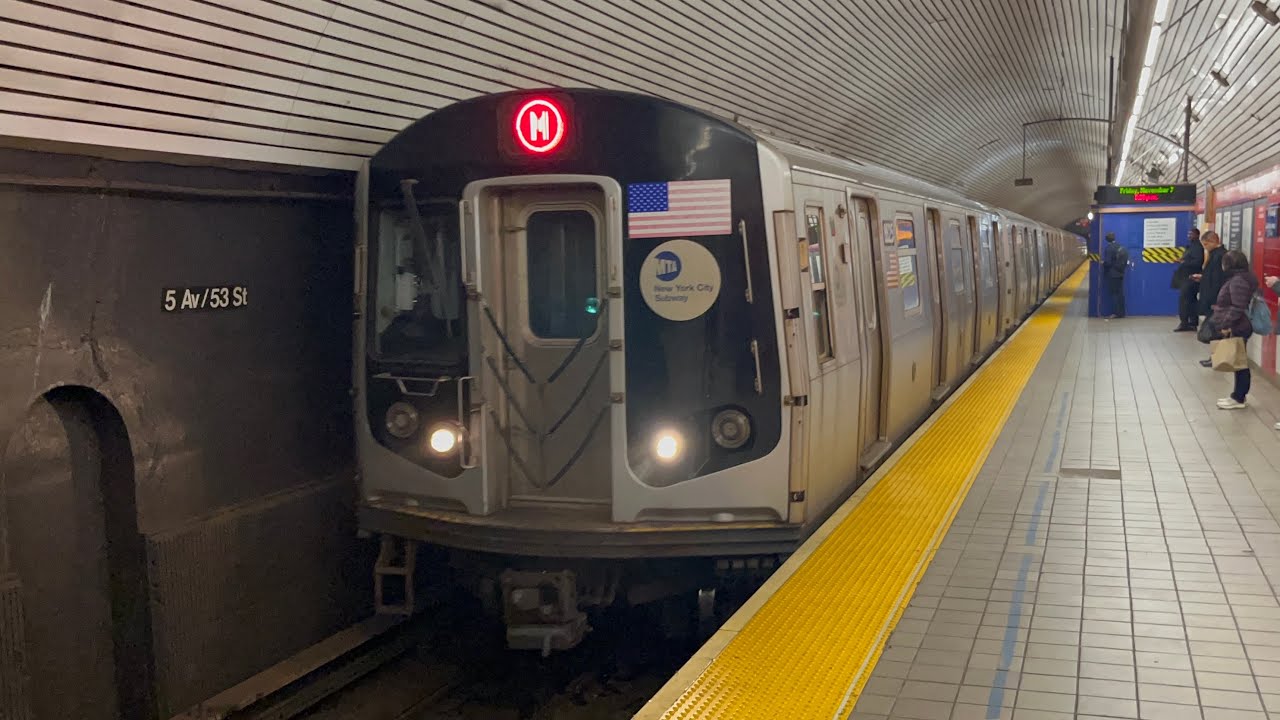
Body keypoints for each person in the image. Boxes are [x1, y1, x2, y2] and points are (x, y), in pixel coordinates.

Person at [1212, 250, 1259, 410]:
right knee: (1239, 361)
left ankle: (1239, 397)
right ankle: (1238, 395)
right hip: (1239, 324)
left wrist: (1226, 324)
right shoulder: (1242, 277)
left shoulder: (1238, 280)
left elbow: (1237, 307)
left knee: (1240, 363)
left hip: (1238, 325)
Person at [1192, 230, 1226, 367]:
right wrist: (1203, 277)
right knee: (1214, 331)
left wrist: (1213, 301)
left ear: (1213, 242)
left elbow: (1217, 280)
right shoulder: (1215, 255)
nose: (1205, 247)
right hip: (1214, 299)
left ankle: (1216, 359)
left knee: (1215, 331)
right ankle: (1214, 358)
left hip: (1215, 300)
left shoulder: (1219, 256)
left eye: (1206, 244)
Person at [1172, 227, 1204, 331]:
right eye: (1188, 234)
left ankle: (1185, 323)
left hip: (1191, 278)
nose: (1189, 236)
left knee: (1185, 300)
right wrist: (1182, 259)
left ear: (1197, 235)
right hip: (1187, 277)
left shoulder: (1198, 247)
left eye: (1191, 234)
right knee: (1191, 300)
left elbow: (1198, 262)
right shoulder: (1191, 246)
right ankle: (1192, 322)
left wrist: (1184, 262)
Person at [1101, 232, 1129, 318]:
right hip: (1120, 273)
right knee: (1120, 293)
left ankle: (1116, 313)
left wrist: (1103, 263)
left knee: (1114, 294)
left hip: (1113, 274)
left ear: (1107, 240)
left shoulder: (1109, 248)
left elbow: (1108, 262)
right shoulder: (1119, 246)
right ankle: (1122, 312)